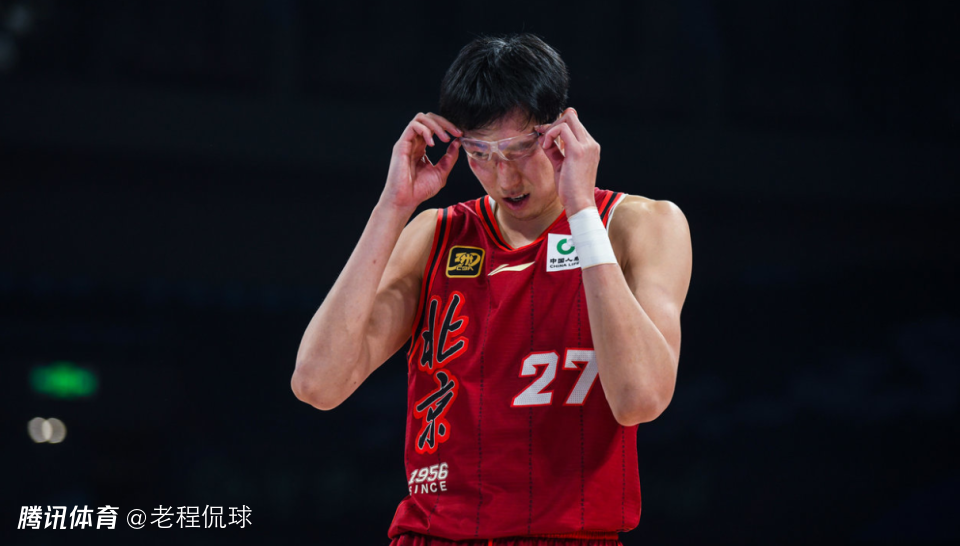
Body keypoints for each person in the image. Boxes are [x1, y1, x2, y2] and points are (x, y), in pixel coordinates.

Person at [292, 34, 692, 546]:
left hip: (569, 536)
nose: (504, 176)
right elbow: (317, 384)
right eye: (480, 154)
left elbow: (641, 399)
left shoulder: (641, 225)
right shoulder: (434, 236)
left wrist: (580, 211)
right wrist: (392, 207)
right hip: (433, 536)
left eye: (520, 149)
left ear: (561, 131)